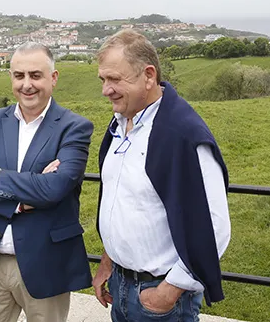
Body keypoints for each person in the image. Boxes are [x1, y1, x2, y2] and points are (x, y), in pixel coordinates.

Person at [92, 29, 231, 322]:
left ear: (149, 75)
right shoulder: (120, 124)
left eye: (115, 79)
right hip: (120, 284)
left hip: (159, 297)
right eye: (103, 80)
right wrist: (109, 261)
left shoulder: (184, 135)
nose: (106, 89)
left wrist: (169, 291)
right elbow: (123, 200)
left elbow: (215, 227)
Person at [0, 42, 94, 322]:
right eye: (19, 76)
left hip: (45, 262)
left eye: (35, 75)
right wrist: (22, 201)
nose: (27, 84)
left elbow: (55, 188)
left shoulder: (74, 127)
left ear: (53, 78)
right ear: (11, 78)